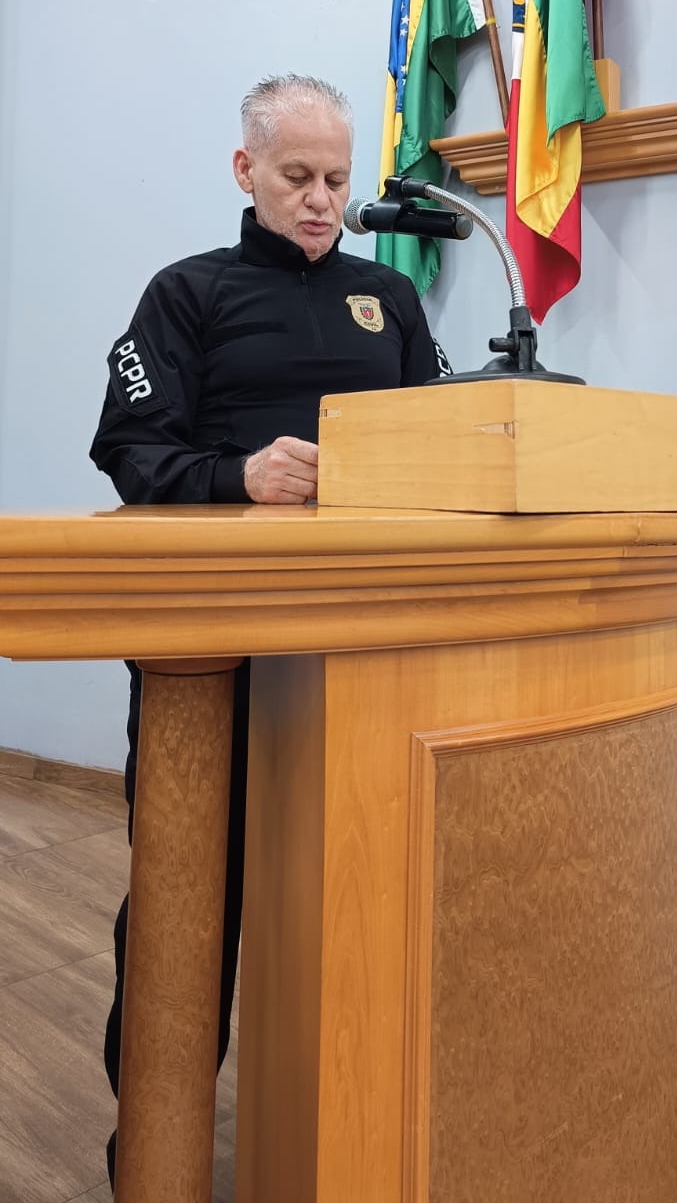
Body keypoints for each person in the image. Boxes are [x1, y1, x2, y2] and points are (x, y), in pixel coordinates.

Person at [90, 73, 446, 1187]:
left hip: (367, 653)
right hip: (215, 653)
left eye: (337, 177)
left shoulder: (390, 298)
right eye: (298, 176)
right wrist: (238, 476)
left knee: (362, 898)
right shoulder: (184, 295)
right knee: (190, 905)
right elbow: (130, 452)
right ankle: (153, 1147)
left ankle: (346, 1139)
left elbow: (439, 443)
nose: (322, 199)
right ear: (246, 171)